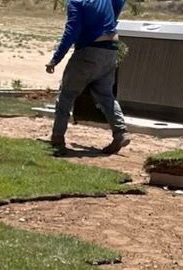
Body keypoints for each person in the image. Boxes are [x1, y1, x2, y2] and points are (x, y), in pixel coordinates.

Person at [46, 0, 130, 155]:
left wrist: (55, 59)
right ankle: (120, 132)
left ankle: (57, 137)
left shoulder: (76, 2)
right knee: (106, 96)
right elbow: (119, 3)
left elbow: (72, 30)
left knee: (67, 94)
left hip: (89, 51)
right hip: (111, 51)